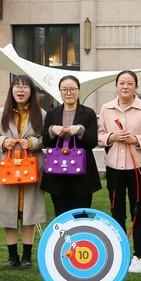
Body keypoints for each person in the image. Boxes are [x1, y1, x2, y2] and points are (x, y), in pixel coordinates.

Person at [97, 70, 141, 273]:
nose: (125, 87)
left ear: (136, 87)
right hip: (114, 168)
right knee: (117, 213)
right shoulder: (106, 108)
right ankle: (120, 253)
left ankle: (138, 256)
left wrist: (136, 139)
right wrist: (112, 137)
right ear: (116, 86)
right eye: (121, 83)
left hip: (137, 168)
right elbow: (99, 136)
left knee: (137, 213)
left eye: (130, 83)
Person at [0, 75, 46, 269]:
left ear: (31, 91)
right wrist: (3, 141)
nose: (20, 90)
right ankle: (12, 256)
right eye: (17, 86)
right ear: (12, 90)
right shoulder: (0, 114)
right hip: (7, 166)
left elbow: (46, 138)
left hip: (31, 166)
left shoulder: (41, 114)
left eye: (25, 87)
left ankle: (27, 256)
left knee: (29, 209)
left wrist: (32, 142)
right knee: (8, 210)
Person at [41, 74, 101, 216]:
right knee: (61, 216)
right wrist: (52, 131)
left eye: (72, 89)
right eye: (64, 90)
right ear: (60, 92)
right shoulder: (51, 114)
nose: (69, 93)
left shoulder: (88, 113)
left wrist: (81, 131)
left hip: (82, 176)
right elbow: (45, 142)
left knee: (81, 216)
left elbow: (92, 142)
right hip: (57, 176)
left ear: (79, 91)